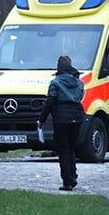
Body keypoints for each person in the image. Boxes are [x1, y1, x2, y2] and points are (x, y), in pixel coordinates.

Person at [37, 55, 85, 191]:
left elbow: (50, 102)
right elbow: (81, 97)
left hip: (61, 118)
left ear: (58, 67)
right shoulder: (79, 82)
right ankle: (74, 175)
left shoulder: (56, 83)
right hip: (77, 117)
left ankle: (67, 182)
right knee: (71, 148)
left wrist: (42, 119)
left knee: (63, 150)